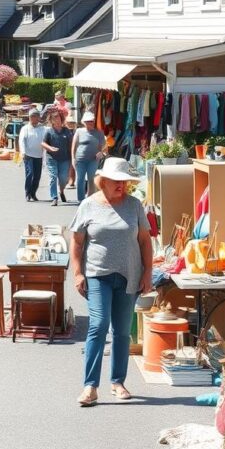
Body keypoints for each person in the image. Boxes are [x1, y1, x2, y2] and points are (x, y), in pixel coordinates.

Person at [70, 158, 153, 407]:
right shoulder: (88, 206)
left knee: (122, 331)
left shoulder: (134, 205)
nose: (122, 185)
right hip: (97, 274)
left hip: (129, 275)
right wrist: (78, 272)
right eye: (117, 181)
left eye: (125, 181)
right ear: (103, 181)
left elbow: (145, 241)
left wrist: (148, 273)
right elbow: (76, 241)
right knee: (98, 324)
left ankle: (117, 382)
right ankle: (90, 386)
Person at [70, 111, 106, 202]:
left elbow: (105, 147)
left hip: (93, 160)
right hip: (80, 159)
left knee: (91, 179)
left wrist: (101, 152)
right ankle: (81, 200)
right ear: (84, 122)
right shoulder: (79, 131)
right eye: (89, 121)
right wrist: (73, 159)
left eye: (92, 121)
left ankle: (90, 199)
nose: (91, 123)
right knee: (80, 179)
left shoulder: (99, 133)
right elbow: (74, 146)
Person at [41, 110, 73, 205]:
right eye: (54, 118)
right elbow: (43, 143)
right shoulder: (49, 131)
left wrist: (72, 158)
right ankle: (54, 197)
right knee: (53, 177)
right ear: (51, 120)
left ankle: (61, 191)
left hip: (65, 159)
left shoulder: (66, 131)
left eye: (58, 117)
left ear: (61, 118)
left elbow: (71, 145)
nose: (57, 119)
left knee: (64, 179)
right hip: (52, 158)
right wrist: (50, 148)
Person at [18, 109, 46, 201]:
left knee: (37, 176)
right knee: (30, 174)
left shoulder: (42, 128)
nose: (33, 118)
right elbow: (21, 140)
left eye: (35, 116)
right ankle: (27, 192)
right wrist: (23, 152)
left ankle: (33, 193)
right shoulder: (25, 128)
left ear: (38, 118)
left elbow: (46, 139)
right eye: (31, 116)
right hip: (28, 155)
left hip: (39, 155)